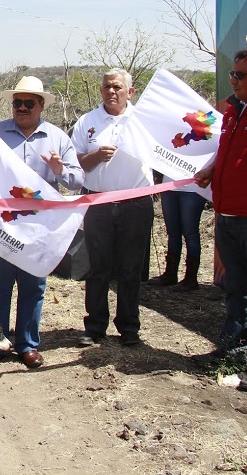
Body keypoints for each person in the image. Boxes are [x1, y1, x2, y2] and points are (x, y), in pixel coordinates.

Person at [0, 76, 82, 370]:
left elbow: (78, 180)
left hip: (39, 227)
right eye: (18, 102)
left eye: (29, 103)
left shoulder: (57, 138)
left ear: (41, 105)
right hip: (1, 224)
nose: (23, 108)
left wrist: (60, 170)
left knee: (33, 286)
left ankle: (28, 344)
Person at [193, 50, 247, 392]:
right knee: (237, 289)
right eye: (232, 73)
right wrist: (213, 168)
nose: (233, 80)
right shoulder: (233, 109)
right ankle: (233, 349)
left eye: (241, 75)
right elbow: (230, 145)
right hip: (228, 212)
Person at [70, 69, 153, 348]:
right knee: (97, 268)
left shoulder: (145, 121)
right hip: (98, 203)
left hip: (136, 202)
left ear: (130, 92)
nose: (111, 92)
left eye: (117, 87)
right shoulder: (87, 121)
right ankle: (94, 327)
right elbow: (74, 162)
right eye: (107, 86)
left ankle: (129, 328)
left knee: (131, 269)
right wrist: (94, 156)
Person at [152, 184, 207, 290]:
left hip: (192, 189)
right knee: (172, 233)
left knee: (190, 234)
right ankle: (170, 274)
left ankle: (191, 278)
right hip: (169, 186)